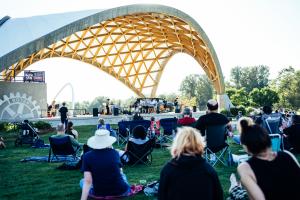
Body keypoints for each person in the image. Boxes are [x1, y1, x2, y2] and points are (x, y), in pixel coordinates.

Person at [237, 119, 300, 200]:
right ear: (268, 139)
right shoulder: (287, 155)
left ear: (246, 147)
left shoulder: (245, 167)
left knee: (237, 192)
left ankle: (234, 185)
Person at [158, 127, 223, 200]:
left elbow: (161, 196)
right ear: (199, 143)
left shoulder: (168, 170)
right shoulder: (208, 170)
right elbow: (218, 196)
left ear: (177, 144)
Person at [80, 129, 130, 200]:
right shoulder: (114, 153)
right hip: (121, 191)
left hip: (99, 193)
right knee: (123, 176)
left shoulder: (87, 156)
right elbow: (120, 172)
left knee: (82, 181)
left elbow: (88, 181)